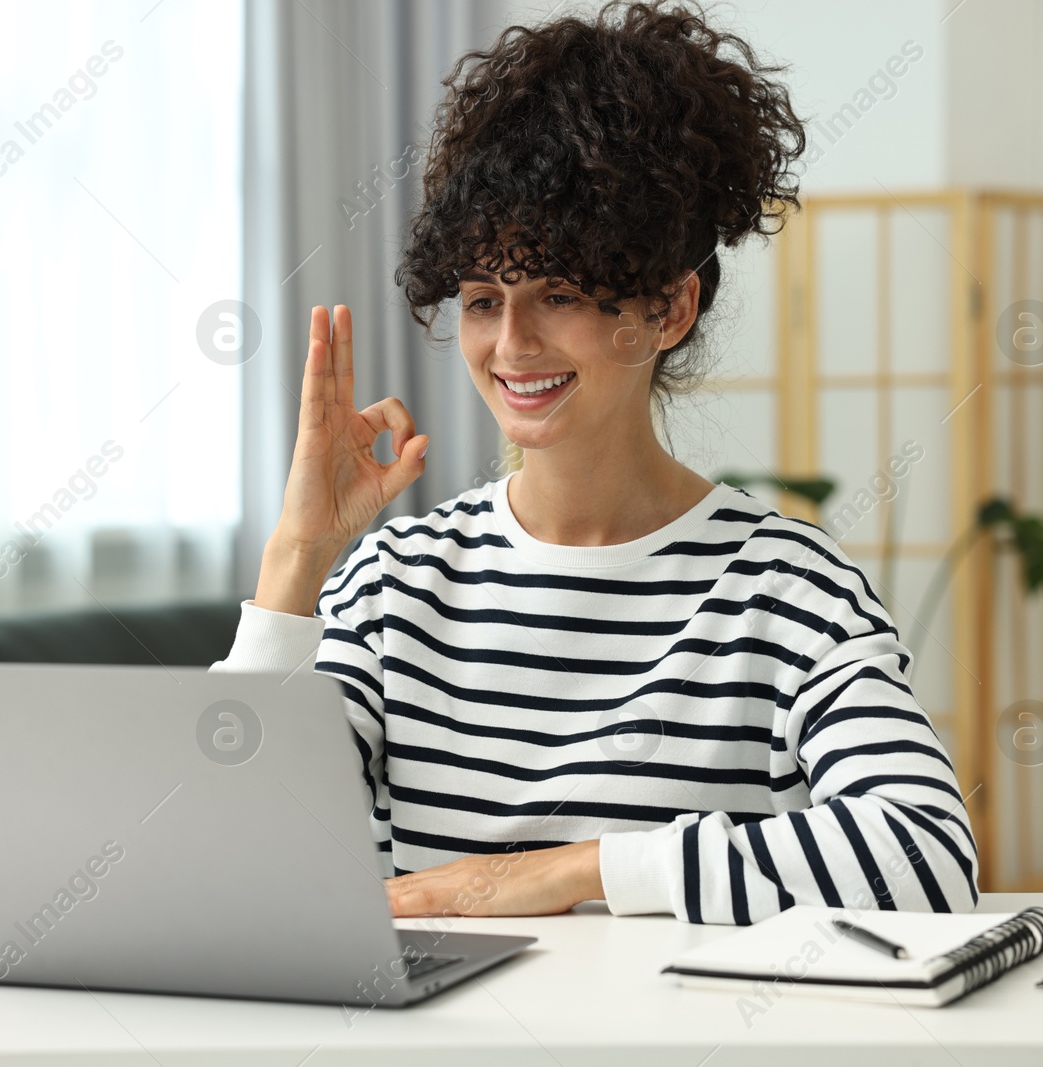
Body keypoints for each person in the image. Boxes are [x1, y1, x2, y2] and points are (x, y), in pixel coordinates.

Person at [214, 0, 977, 924]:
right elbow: (225, 850)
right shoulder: (395, 583)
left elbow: (925, 853)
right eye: (485, 298)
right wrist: (296, 557)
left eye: (561, 292)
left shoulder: (786, 590)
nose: (511, 343)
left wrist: (574, 870)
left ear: (669, 309)